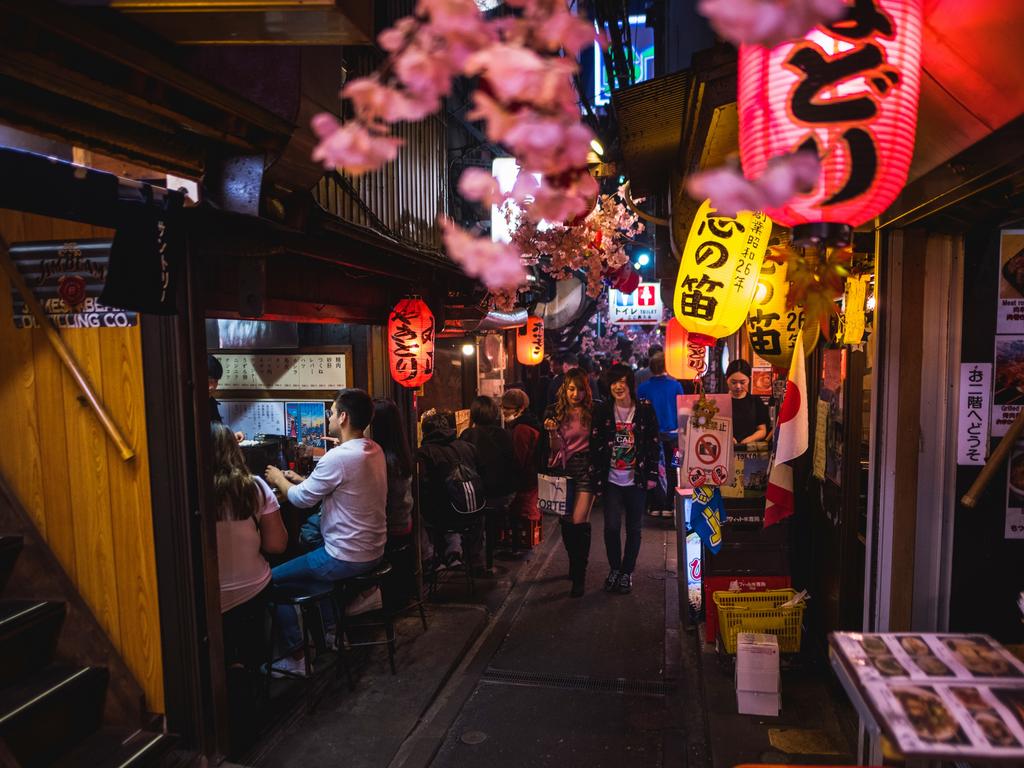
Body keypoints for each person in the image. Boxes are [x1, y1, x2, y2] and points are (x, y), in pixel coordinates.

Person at [264, 388, 387, 677]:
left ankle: (295, 655)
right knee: (313, 560)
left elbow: (300, 499)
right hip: (374, 550)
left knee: (269, 583)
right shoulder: (373, 449)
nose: (329, 417)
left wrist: (279, 478)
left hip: (345, 557)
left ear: (343, 417)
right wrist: (304, 480)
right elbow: (338, 486)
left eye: (331, 412)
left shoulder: (339, 457)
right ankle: (332, 634)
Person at [211, 421, 287, 747]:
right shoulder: (254, 487)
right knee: (248, 637)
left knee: (222, 647)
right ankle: (248, 672)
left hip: (206, 599)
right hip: (252, 591)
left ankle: (225, 681)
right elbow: (277, 545)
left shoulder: (185, 487)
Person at [592, 363, 661, 595]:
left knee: (634, 529)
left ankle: (626, 572)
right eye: (613, 382)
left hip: (636, 480)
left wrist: (652, 473)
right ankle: (614, 568)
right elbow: (595, 443)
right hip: (611, 479)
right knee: (611, 527)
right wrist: (595, 477)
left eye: (622, 381)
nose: (618, 386)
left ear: (630, 383)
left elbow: (653, 442)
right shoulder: (603, 411)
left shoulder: (644, 410)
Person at [541, 368, 597, 597]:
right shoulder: (553, 412)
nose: (576, 394)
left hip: (586, 470)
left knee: (579, 522)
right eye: (571, 389)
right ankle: (574, 565)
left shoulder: (593, 411)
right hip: (562, 470)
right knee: (566, 523)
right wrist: (552, 433)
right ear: (565, 388)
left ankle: (579, 576)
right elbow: (553, 449)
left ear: (586, 390)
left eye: (580, 389)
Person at [417, 410, 484, 573]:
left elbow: (423, 489)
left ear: (425, 432)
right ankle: (457, 552)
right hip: (475, 511)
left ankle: (431, 558)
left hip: (444, 515)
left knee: (416, 513)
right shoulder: (468, 447)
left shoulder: (424, 452)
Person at [461, 396, 518, 575]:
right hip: (504, 494)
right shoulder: (505, 434)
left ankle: (475, 559)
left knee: (472, 511)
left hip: (481, 497)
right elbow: (513, 465)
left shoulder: (467, 435)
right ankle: (487, 555)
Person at [369, 398, 415, 607]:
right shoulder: (400, 452)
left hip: (390, 530)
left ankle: (366, 599)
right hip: (403, 524)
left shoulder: (383, 460)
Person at [637, 352, 684, 518]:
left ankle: (654, 505)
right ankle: (669, 505)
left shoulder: (643, 388)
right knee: (672, 470)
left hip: (651, 436)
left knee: (652, 468)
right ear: (667, 366)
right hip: (673, 437)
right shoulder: (676, 386)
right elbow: (683, 410)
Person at [500, 388, 542, 558]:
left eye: (508, 409)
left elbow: (519, 459)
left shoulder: (521, 429)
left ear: (520, 408)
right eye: (503, 408)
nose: (504, 412)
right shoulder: (530, 423)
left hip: (525, 481)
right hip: (532, 478)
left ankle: (517, 547)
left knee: (516, 512)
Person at [725, 359, 771, 446]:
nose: (738, 387)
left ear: (749, 380)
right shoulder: (721, 401)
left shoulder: (755, 401)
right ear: (727, 380)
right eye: (733, 382)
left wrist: (747, 441)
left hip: (750, 451)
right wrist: (727, 437)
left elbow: (762, 430)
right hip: (724, 448)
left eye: (742, 382)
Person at [208, 354, 245, 442]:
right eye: (208, 381)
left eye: (215, 381)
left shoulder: (211, 402)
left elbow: (216, 431)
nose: (212, 387)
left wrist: (231, 436)